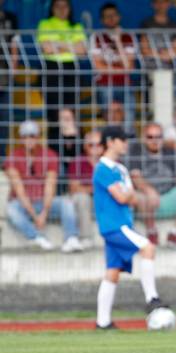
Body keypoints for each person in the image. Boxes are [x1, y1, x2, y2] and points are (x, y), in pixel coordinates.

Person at [93, 126, 168, 330]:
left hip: (120, 224)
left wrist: (128, 195)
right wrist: (128, 195)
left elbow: (131, 197)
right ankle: (152, 298)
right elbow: (123, 196)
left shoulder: (120, 169)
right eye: (122, 140)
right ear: (110, 142)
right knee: (148, 248)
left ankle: (103, 322)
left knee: (113, 272)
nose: (126, 143)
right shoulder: (103, 168)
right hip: (116, 225)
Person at [4, 120, 83, 252]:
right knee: (11, 210)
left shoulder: (49, 155)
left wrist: (44, 214)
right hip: (23, 203)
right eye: (25, 136)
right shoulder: (13, 157)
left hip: (44, 202)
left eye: (32, 135)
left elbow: (50, 187)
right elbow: (19, 190)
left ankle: (71, 238)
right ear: (20, 139)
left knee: (66, 203)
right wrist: (35, 216)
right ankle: (36, 237)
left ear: (38, 137)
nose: (29, 139)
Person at [127, 122, 176, 249]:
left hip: (167, 198)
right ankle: (151, 232)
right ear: (144, 138)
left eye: (158, 137)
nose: (154, 140)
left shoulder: (170, 152)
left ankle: (175, 234)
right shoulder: (137, 151)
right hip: (147, 204)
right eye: (150, 137)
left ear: (162, 138)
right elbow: (136, 178)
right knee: (140, 196)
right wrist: (149, 190)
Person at [37, 0, 87, 143]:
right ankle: (55, 155)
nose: (61, 9)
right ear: (52, 8)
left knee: (72, 114)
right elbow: (46, 48)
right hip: (51, 69)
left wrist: (57, 45)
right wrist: (71, 46)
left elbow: (82, 51)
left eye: (65, 6)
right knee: (54, 115)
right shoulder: (45, 24)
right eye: (58, 6)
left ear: (70, 8)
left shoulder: (76, 26)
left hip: (71, 69)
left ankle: (73, 156)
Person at [91, 2, 137, 134]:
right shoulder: (97, 37)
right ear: (102, 20)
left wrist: (118, 41)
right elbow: (99, 67)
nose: (111, 18)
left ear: (119, 17)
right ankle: (110, 139)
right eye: (107, 16)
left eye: (114, 15)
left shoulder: (128, 36)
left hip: (125, 83)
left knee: (128, 114)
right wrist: (121, 68)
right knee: (109, 114)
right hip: (104, 83)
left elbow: (129, 67)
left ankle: (129, 143)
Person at [68, 129, 104, 248]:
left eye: (99, 144)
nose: (95, 148)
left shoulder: (110, 162)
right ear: (85, 146)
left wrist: (88, 188)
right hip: (87, 200)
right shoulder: (77, 162)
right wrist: (96, 189)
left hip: (104, 200)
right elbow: (74, 188)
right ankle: (86, 237)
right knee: (82, 198)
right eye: (91, 145)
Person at [139, 0, 176, 70]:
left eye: (164, 2)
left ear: (169, 4)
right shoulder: (146, 24)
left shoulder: (174, 25)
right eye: (157, 2)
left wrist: (167, 55)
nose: (161, 5)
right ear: (153, 4)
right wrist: (161, 55)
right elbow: (144, 49)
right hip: (150, 66)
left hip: (169, 67)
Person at [0, 0, 18, 160]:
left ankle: (1, 161)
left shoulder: (10, 17)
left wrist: (13, 70)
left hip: (4, 78)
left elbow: (14, 45)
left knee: (4, 122)